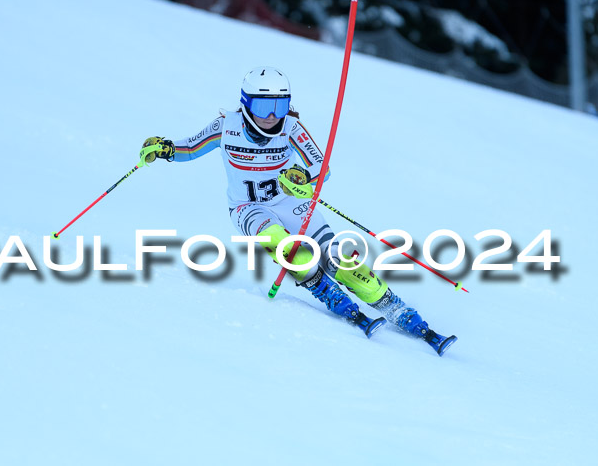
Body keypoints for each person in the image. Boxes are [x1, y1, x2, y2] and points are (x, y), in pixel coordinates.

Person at [139, 66, 456, 355]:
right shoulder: (227, 126)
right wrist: (166, 149)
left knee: (341, 260)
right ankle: (322, 289)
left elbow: (321, 167)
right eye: (264, 107)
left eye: (279, 106)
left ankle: (394, 307)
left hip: (291, 202)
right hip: (249, 208)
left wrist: (302, 178)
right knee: (289, 247)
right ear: (246, 103)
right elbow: (190, 148)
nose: (271, 116)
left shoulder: (290, 127)